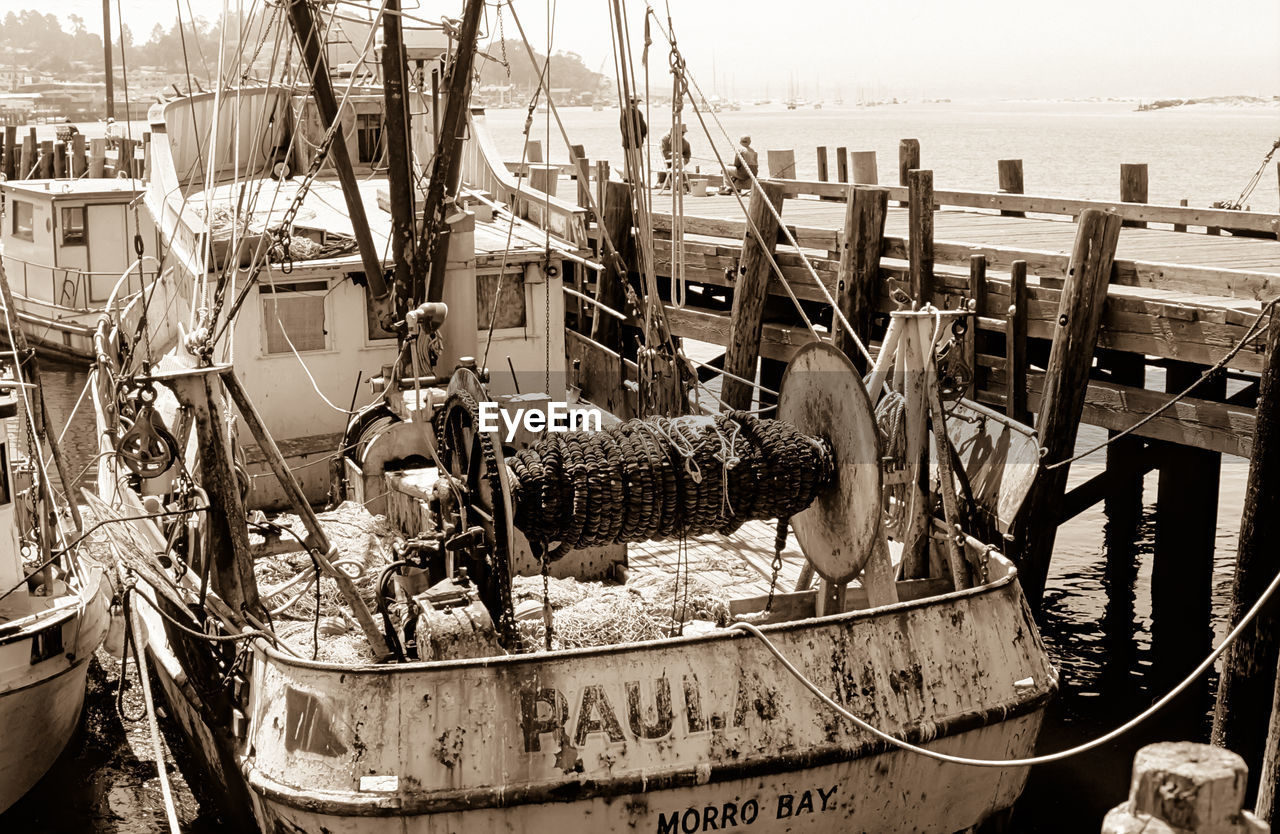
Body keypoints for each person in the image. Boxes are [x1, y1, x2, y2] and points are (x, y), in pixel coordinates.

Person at [619, 96, 646, 184]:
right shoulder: (637, 113)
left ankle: (626, 177)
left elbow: (621, 127)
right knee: (636, 161)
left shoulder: (623, 111)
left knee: (627, 160)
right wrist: (644, 134)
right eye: (638, 102)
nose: (638, 104)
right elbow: (643, 127)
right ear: (635, 102)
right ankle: (634, 178)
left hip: (626, 142)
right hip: (636, 141)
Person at [659, 124, 692, 192]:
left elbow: (687, 154)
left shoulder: (684, 142)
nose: (683, 134)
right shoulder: (665, 139)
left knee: (679, 164)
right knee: (672, 165)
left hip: (679, 162)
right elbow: (664, 153)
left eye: (683, 133)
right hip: (667, 162)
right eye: (682, 132)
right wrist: (675, 155)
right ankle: (668, 183)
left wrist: (684, 160)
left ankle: (676, 183)